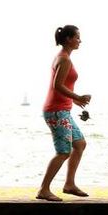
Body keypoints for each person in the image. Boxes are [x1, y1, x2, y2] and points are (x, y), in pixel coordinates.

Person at [37, 25, 93, 202]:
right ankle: (43, 189)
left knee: (80, 144)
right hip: (56, 111)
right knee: (63, 152)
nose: (80, 41)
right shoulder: (64, 59)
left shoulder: (64, 57)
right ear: (68, 39)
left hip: (63, 110)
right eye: (77, 37)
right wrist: (77, 96)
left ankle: (69, 184)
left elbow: (63, 86)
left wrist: (75, 101)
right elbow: (57, 85)